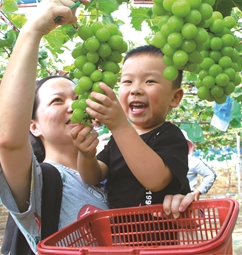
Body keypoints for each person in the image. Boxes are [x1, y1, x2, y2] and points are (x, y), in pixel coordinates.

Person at [0, 0, 193, 254]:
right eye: (56, 101)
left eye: (78, 97)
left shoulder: (111, 172)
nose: (72, 105)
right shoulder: (41, 183)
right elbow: (9, 141)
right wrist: (32, 31)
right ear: (34, 126)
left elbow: (151, 186)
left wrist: (174, 203)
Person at [71, 45, 192, 209]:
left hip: (161, 232)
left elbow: (156, 180)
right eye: (127, 81)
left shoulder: (170, 136)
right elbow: (94, 176)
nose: (135, 89)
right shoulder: (117, 140)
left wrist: (120, 126)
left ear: (175, 97)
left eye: (150, 81)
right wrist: (86, 155)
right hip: (120, 231)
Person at [182, 130, 217, 201]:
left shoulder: (192, 161)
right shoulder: (162, 161)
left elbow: (210, 174)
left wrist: (199, 190)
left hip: (186, 199)